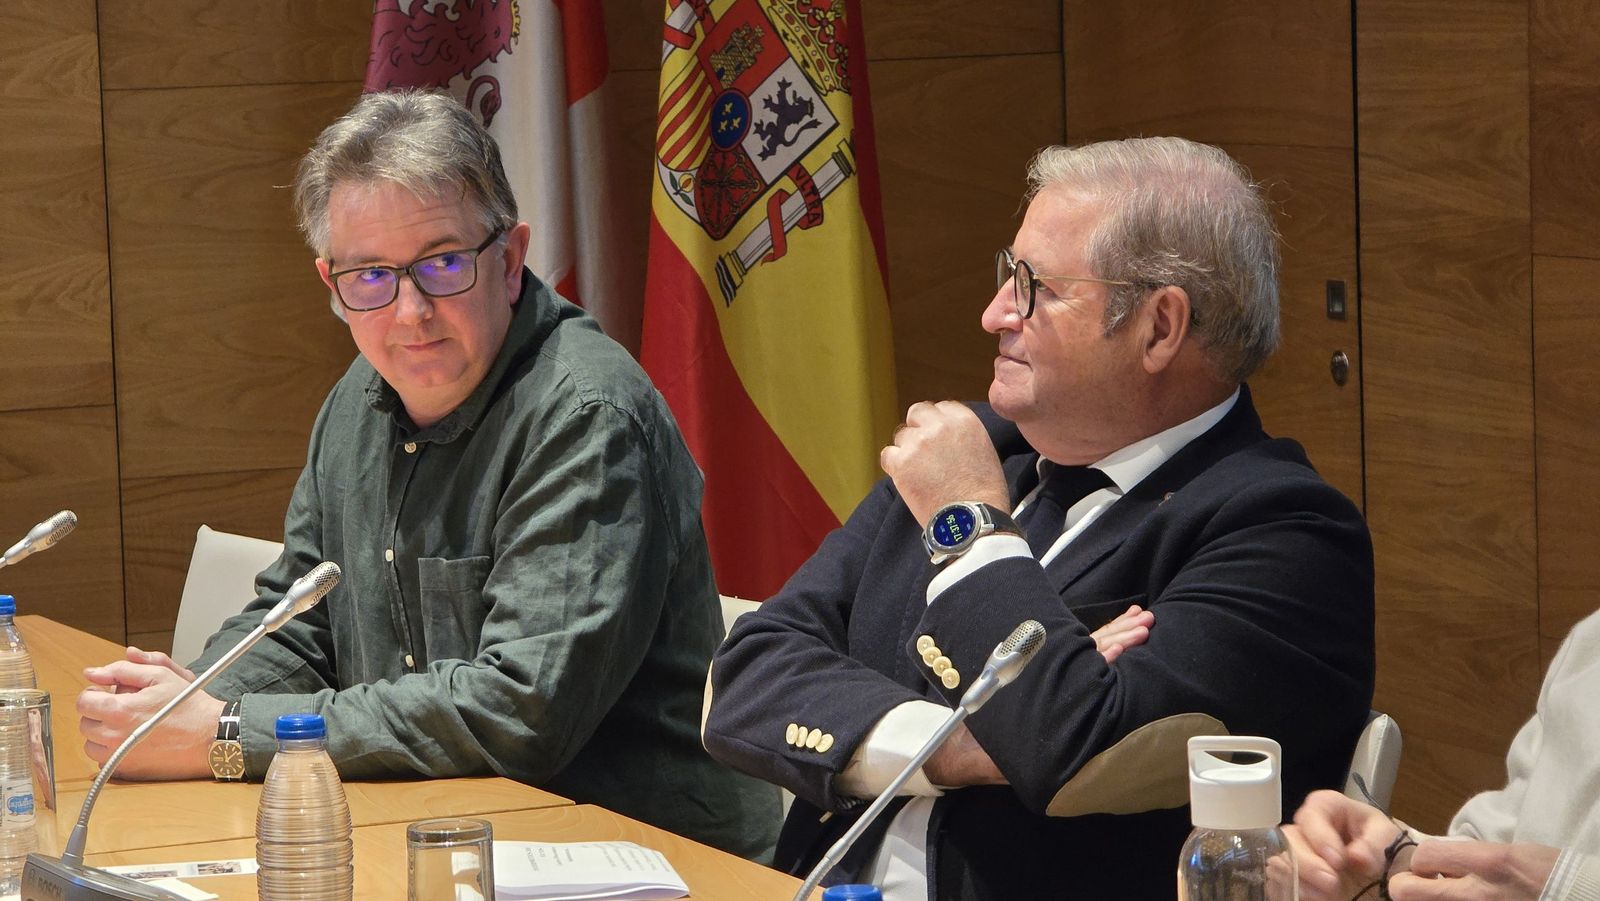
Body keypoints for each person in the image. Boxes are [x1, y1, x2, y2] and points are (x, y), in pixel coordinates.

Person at [74, 89, 777, 859]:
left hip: (640, 857)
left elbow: (519, 711)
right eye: (370, 276)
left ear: (509, 259)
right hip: (440, 830)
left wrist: (228, 731)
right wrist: (187, 701)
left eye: (442, 264)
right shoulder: (359, 399)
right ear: (331, 284)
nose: (410, 312)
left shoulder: (587, 416)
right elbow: (301, 622)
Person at [702, 136, 1376, 897]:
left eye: (1037, 288)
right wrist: (956, 743)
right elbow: (742, 678)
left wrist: (970, 524)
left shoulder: (1286, 533)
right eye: (1007, 275)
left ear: (1160, 327)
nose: (994, 313)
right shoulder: (973, 452)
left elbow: (1075, 747)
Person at [1285, 608, 1600, 901]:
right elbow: (1505, 849)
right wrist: (1404, 863)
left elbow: (1530, 878)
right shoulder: (1590, 647)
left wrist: (1569, 890)